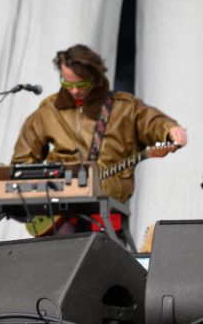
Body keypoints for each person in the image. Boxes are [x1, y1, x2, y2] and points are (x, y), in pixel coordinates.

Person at [11, 44, 188, 234]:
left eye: (81, 84)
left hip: (107, 206)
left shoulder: (124, 107)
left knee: (104, 259)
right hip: (59, 210)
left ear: (95, 79)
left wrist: (170, 129)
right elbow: (23, 162)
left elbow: (152, 121)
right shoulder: (49, 110)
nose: (74, 91)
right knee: (59, 254)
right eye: (67, 83)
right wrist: (37, 187)